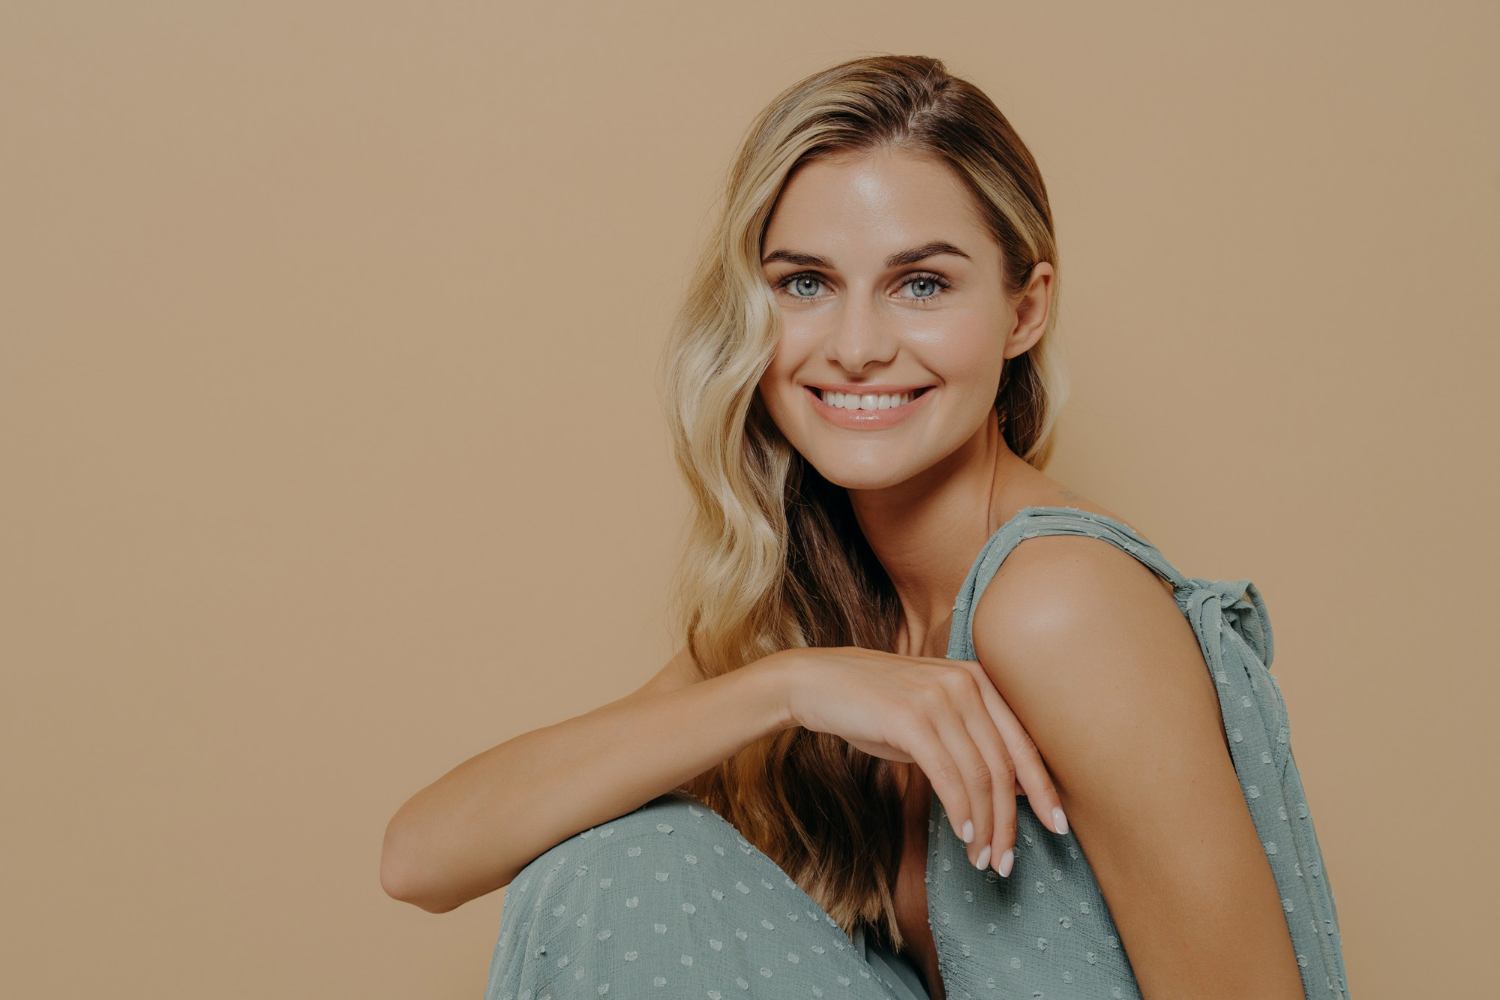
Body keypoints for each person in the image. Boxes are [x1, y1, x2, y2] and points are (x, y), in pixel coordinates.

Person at [381, 54, 1347, 1000]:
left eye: (921, 284)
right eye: (805, 283)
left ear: (1025, 310)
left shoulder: (1060, 601)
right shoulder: (827, 612)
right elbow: (422, 857)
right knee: (616, 865)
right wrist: (789, 683)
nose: (855, 348)